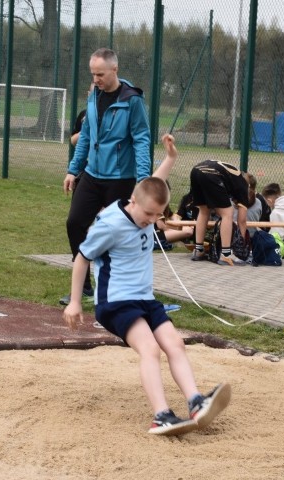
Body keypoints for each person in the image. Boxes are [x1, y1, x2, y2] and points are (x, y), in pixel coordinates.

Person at [62, 134, 231, 434]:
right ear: (133, 202)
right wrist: (75, 302)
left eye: (158, 215)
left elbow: (155, 183)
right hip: (116, 302)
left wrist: (171, 157)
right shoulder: (110, 225)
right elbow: (82, 257)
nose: (152, 220)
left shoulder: (145, 202)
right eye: (148, 214)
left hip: (145, 299)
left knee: (175, 344)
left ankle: (195, 401)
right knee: (150, 349)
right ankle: (161, 415)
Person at [61, 48, 152, 306]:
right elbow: (86, 136)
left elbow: (142, 139)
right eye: (93, 74)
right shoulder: (93, 96)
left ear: (115, 70)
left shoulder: (132, 100)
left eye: (100, 74)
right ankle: (84, 286)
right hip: (92, 174)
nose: (96, 79)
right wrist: (73, 169)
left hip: (120, 178)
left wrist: (143, 180)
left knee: (119, 233)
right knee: (75, 223)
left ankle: (117, 289)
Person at [188, 160, 255, 266]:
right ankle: (226, 255)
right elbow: (242, 221)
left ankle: (198, 250)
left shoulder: (233, 179)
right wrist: (241, 244)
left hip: (195, 170)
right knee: (227, 213)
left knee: (204, 211)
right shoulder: (243, 186)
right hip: (211, 173)